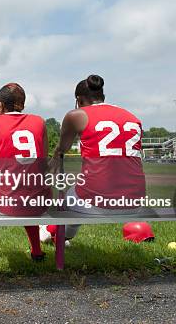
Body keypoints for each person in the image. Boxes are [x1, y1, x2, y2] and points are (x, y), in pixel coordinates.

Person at [41, 74, 146, 243]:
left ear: (79, 100)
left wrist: (54, 157)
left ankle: (47, 231)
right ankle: (60, 236)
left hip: (96, 203)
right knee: (81, 192)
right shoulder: (132, 117)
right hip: (135, 202)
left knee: (68, 200)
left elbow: (62, 149)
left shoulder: (76, 115)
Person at [0, 83, 50, 261]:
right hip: (37, 201)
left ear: (0, 105)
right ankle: (36, 252)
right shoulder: (39, 121)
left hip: (6, 201)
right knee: (29, 193)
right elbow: (44, 166)